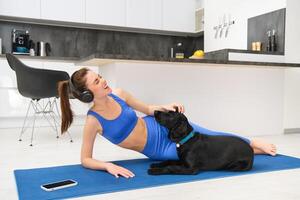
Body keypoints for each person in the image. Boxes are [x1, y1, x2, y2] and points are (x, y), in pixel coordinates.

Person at [58, 68, 277, 179]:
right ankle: (252, 150)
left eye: (100, 76)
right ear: (87, 95)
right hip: (159, 148)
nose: (104, 80)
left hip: (158, 125)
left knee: (210, 136)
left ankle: (251, 142)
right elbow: (85, 159)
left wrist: (166, 106)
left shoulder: (120, 94)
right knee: (204, 154)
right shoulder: (93, 121)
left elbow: (148, 109)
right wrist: (107, 165)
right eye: (97, 81)